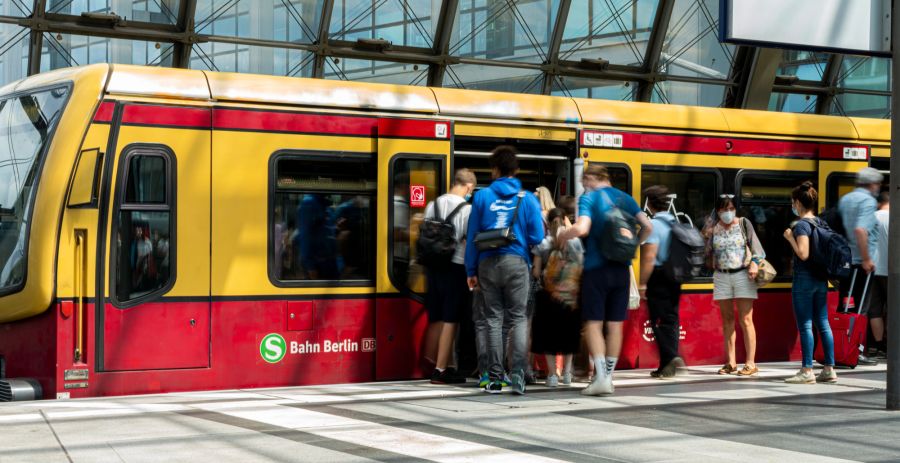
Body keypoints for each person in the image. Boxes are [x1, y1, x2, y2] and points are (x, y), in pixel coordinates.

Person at [560, 164, 652, 396]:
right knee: (614, 325)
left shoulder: (590, 199)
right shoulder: (626, 199)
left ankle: (600, 376)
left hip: (596, 269)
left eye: (584, 180)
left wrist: (562, 235)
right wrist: (633, 245)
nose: (583, 184)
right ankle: (608, 377)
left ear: (593, 178)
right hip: (622, 270)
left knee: (592, 323)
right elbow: (648, 226)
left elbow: (582, 228)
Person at [465, 146, 545, 395]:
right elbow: (538, 236)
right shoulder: (527, 199)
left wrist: (470, 269)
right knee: (518, 318)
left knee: (492, 319)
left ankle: (495, 378)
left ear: (495, 170)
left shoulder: (481, 197)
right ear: (516, 170)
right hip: (517, 262)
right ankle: (519, 374)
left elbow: (472, 237)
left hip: (487, 263)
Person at [423, 169, 476, 384]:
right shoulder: (467, 209)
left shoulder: (432, 205)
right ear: (469, 187)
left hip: (433, 267)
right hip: (456, 267)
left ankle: (433, 361)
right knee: (451, 319)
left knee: (436, 317)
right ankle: (441, 369)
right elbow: (469, 241)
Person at [783, 181, 837, 384]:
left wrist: (790, 238)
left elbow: (803, 254)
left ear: (797, 202)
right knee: (823, 323)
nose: (792, 205)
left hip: (804, 279)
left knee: (805, 325)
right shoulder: (821, 223)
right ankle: (829, 369)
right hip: (821, 279)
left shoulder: (802, 225)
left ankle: (807, 370)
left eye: (793, 202)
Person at [704, 194, 763, 376]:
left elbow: (758, 250)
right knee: (727, 320)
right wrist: (705, 236)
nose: (727, 212)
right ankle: (731, 362)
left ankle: (750, 363)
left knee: (746, 320)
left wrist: (754, 263)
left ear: (735, 209)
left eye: (730, 209)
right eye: (723, 209)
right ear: (717, 211)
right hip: (721, 276)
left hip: (742, 275)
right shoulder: (714, 228)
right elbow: (706, 254)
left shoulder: (744, 224)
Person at [531, 208, 583, 387]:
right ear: (564, 220)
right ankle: (567, 373)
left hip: (548, 296)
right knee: (569, 335)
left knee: (548, 337)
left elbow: (537, 273)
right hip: (570, 296)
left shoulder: (543, 243)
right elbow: (581, 267)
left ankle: (552, 375)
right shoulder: (575, 242)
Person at [838, 167, 883, 366]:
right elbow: (860, 230)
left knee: (846, 306)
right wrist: (866, 259)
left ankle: (840, 347)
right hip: (860, 264)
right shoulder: (868, 201)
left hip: (847, 262)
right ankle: (855, 350)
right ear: (872, 184)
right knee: (861, 310)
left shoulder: (846, 199)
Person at [639, 185, 685, 379]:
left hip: (659, 277)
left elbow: (649, 257)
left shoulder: (653, 225)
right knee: (671, 319)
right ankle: (666, 365)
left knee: (657, 321)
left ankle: (672, 357)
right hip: (676, 276)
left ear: (649, 203)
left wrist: (642, 283)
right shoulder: (676, 222)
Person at [866, 191, 889, 358]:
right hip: (893, 272)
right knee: (894, 309)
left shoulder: (871, 217)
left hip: (873, 270)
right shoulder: (895, 217)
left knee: (874, 310)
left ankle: (877, 346)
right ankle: (892, 345)